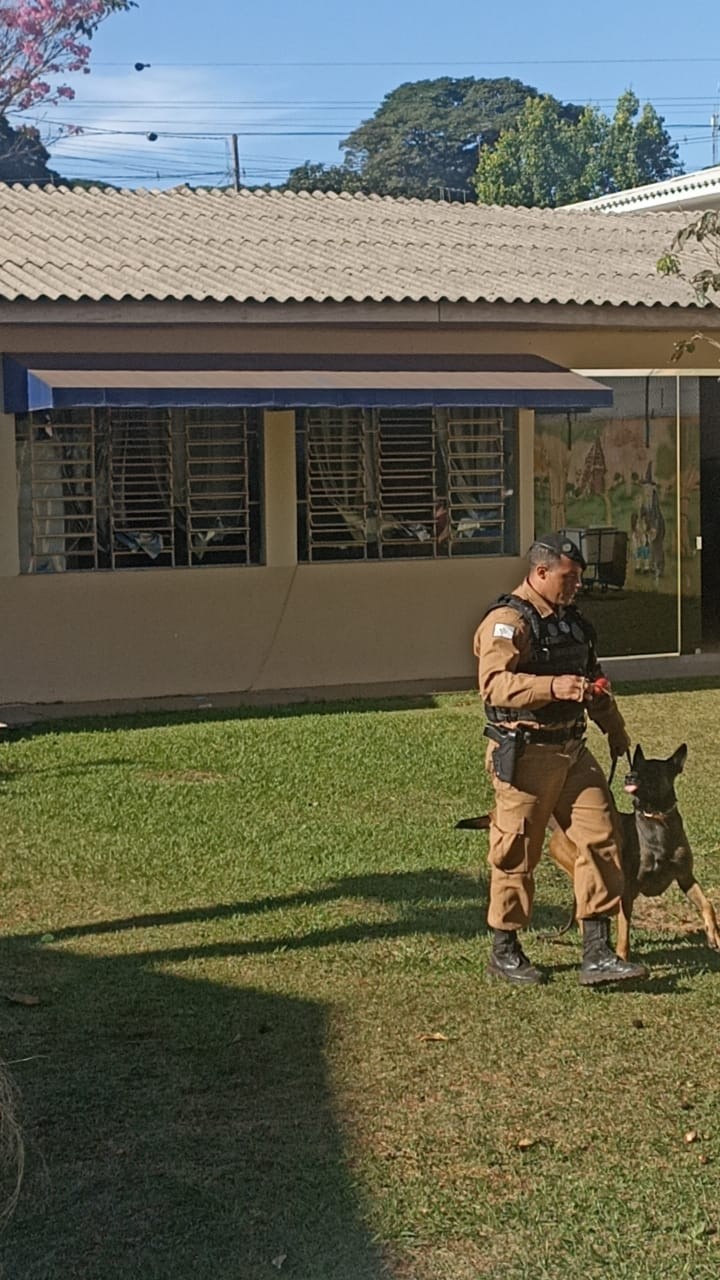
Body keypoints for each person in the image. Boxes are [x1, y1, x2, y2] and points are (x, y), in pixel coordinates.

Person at [473, 533, 649, 987]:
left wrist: (615, 728)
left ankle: (598, 952)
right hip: (526, 752)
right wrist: (551, 687)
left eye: (579, 579)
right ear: (541, 572)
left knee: (602, 837)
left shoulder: (573, 624)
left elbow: (593, 679)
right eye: (568, 578)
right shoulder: (508, 622)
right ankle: (505, 950)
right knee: (517, 851)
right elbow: (493, 685)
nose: (576, 586)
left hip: (572, 751)